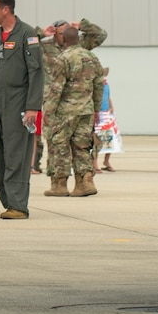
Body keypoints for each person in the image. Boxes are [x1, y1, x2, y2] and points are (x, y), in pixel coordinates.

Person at [0, 0, 44, 220]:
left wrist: (33, 107)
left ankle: (18, 205)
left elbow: (36, 72)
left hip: (18, 102)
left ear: (5, 9)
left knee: (17, 153)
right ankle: (8, 201)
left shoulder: (28, 34)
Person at [42, 22, 104, 199]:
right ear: (78, 39)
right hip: (86, 110)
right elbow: (99, 85)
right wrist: (96, 109)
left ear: (64, 40)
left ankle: (60, 185)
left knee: (59, 145)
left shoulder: (63, 58)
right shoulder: (91, 57)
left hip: (65, 111)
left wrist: (48, 110)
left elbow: (56, 88)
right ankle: (85, 182)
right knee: (82, 146)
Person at [97, 68, 121, 172]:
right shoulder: (96, 85)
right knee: (97, 139)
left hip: (107, 113)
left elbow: (108, 97)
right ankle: (95, 163)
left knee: (109, 138)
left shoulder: (106, 84)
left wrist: (111, 107)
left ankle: (106, 161)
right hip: (98, 113)